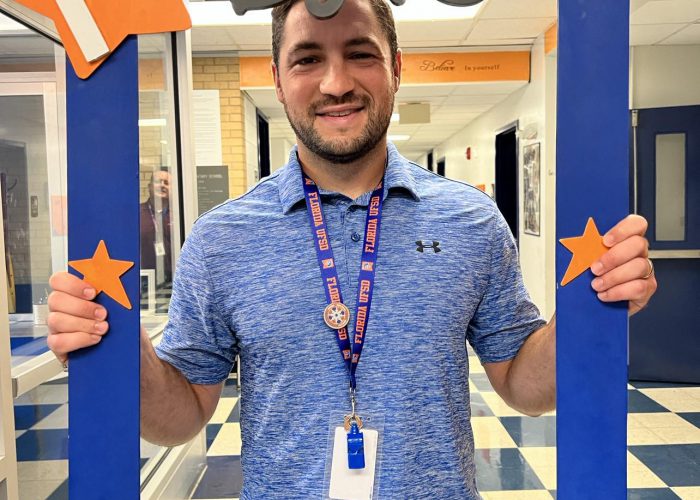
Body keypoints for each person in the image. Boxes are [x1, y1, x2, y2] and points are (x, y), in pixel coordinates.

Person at [47, 1, 657, 498]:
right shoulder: (222, 238)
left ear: (395, 67)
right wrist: (117, 347)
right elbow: (180, 420)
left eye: (359, 54)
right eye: (308, 58)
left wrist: (594, 302)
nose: (336, 83)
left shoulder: (471, 220)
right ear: (279, 81)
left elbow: (523, 388)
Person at [140, 168, 172, 285]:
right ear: (149, 187)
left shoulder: (179, 215)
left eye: (167, 183)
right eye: (159, 182)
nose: (162, 185)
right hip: (144, 280)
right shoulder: (137, 214)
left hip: (174, 279)